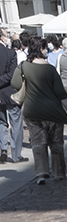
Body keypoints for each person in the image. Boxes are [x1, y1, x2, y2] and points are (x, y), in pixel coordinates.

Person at [11, 36, 67, 184]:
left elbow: (15, 83)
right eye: (45, 47)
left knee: (38, 144)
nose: (48, 50)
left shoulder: (23, 66)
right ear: (40, 48)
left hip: (32, 111)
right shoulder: (50, 69)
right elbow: (61, 94)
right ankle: (59, 173)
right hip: (53, 112)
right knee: (56, 144)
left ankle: (41, 173)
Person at [0, 27, 27, 163]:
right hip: (8, 92)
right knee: (16, 123)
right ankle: (16, 155)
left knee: (1, 122)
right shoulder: (10, 53)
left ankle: (3, 149)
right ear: (1, 37)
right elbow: (11, 75)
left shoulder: (10, 52)